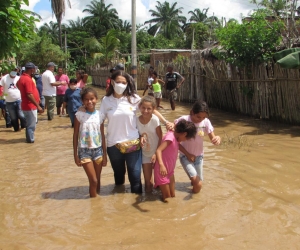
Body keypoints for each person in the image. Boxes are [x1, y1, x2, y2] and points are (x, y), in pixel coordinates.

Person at [99, 70, 169, 194]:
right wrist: (84, 112)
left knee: (135, 177)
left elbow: (150, 109)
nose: (120, 84)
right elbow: (99, 122)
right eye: (118, 82)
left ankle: (136, 206)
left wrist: (166, 122)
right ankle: (120, 205)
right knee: (119, 176)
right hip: (113, 145)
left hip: (133, 143)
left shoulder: (134, 98)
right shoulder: (106, 100)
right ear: (112, 82)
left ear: (127, 84)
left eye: (123, 82)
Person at [174, 100, 221, 193]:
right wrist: (187, 155)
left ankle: (194, 200)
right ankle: (194, 203)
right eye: (198, 116)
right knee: (198, 184)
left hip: (199, 157)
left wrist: (217, 139)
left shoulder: (206, 122)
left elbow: (213, 138)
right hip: (185, 156)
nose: (200, 119)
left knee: (197, 182)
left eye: (203, 117)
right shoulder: (184, 120)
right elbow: (175, 140)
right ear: (192, 112)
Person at [73, 87, 107, 198]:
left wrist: (105, 155)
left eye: (92, 98)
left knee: (97, 179)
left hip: (98, 150)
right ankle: (94, 201)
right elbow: (75, 135)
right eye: (86, 99)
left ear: (96, 99)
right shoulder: (79, 115)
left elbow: (102, 135)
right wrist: (75, 155)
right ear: (82, 101)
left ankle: (97, 207)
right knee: (93, 180)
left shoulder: (100, 115)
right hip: (84, 151)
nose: (89, 102)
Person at [154, 119, 197, 202]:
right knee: (167, 198)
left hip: (170, 171)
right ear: (184, 133)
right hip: (162, 170)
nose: (185, 140)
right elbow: (158, 150)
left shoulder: (176, 138)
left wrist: (188, 154)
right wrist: (161, 165)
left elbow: (178, 146)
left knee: (172, 196)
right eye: (186, 138)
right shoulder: (170, 137)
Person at [136, 96, 162, 193]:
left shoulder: (155, 120)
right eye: (143, 108)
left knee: (159, 182)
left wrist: (156, 154)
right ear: (139, 107)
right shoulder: (136, 121)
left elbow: (160, 137)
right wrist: (140, 137)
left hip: (157, 153)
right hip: (145, 154)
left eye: (149, 108)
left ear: (154, 109)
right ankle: (148, 202)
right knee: (148, 183)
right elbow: (136, 135)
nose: (145, 111)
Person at [17, 62, 43, 143]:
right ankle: (30, 141)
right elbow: (29, 94)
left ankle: (29, 138)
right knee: (31, 125)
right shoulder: (27, 79)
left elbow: (17, 85)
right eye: (34, 69)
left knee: (30, 123)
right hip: (30, 105)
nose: (35, 70)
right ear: (32, 69)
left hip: (26, 104)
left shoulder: (22, 77)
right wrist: (38, 106)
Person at [0, 66, 26, 131]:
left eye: (16, 70)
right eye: (13, 70)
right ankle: (16, 130)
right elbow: (1, 88)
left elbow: (23, 88)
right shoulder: (4, 78)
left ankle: (24, 127)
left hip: (19, 100)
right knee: (13, 118)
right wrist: (3, 96)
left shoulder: (19, 78)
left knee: (21, 115)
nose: (14, 71)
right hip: (9, 101)